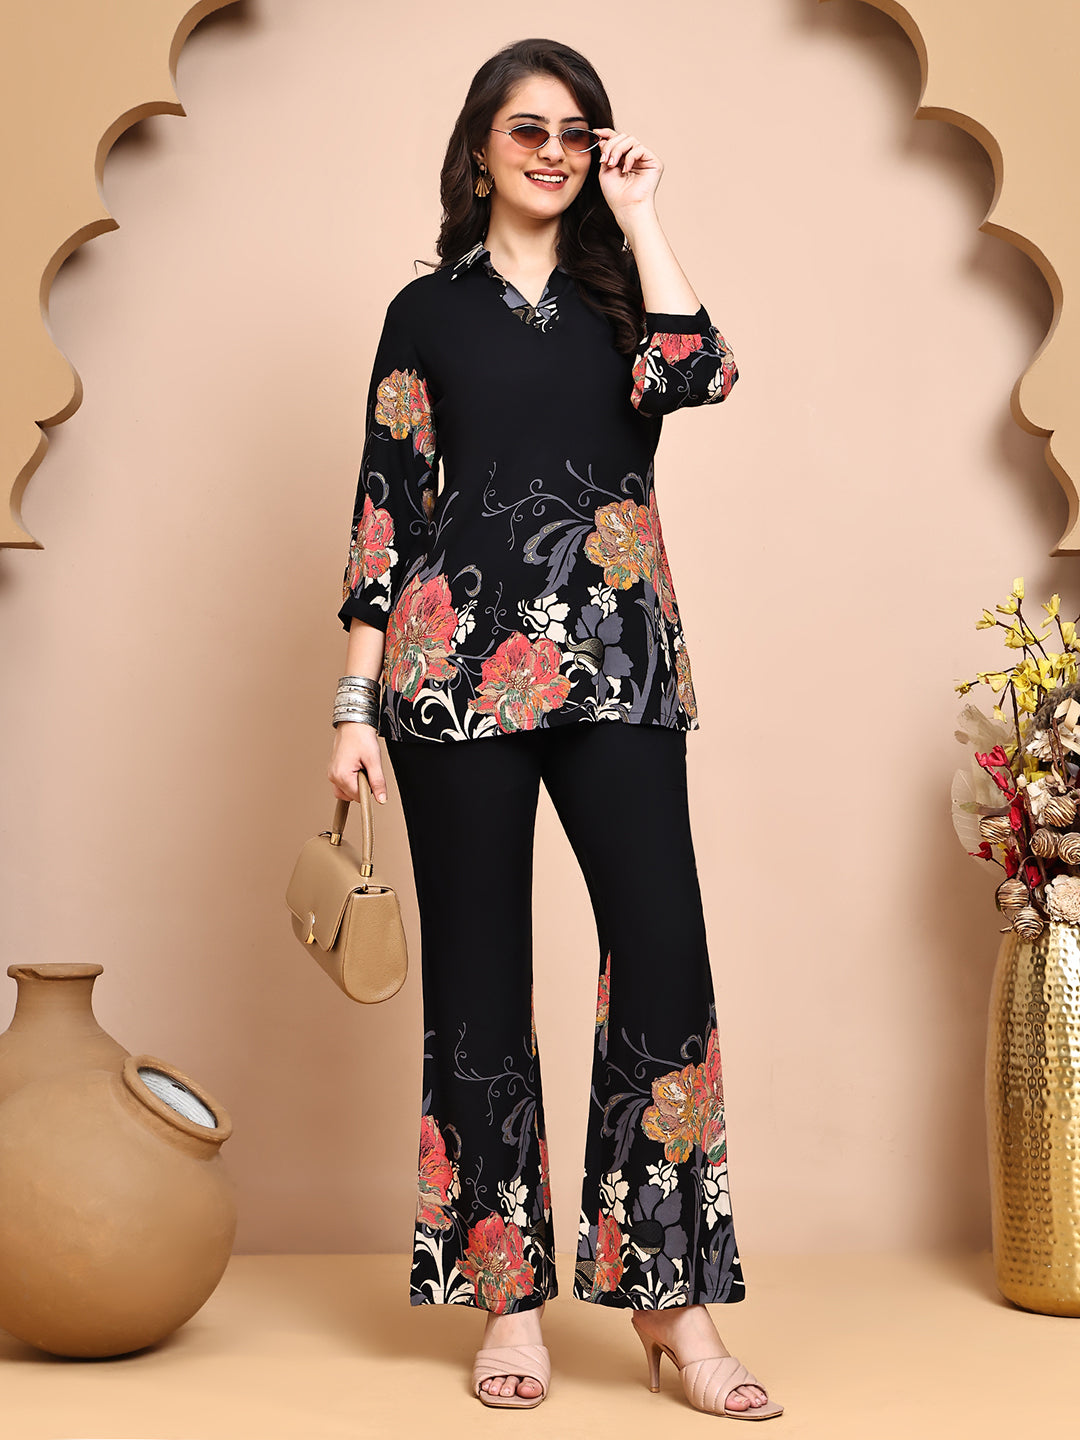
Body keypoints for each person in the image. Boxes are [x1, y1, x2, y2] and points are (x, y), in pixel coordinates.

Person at [327, 37, 783, 1421]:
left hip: (621, 664)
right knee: (476, 983)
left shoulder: (621, 299)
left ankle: (670, 1303)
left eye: (577, 132)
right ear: (480, 150)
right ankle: (507, 1301)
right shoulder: (425, 312)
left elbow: (700, 375)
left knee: (664, 956)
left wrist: (642, 215)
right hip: (449, 678)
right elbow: (386, 505)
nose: (553, 150)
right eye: (527, 128)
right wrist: (352, 705)